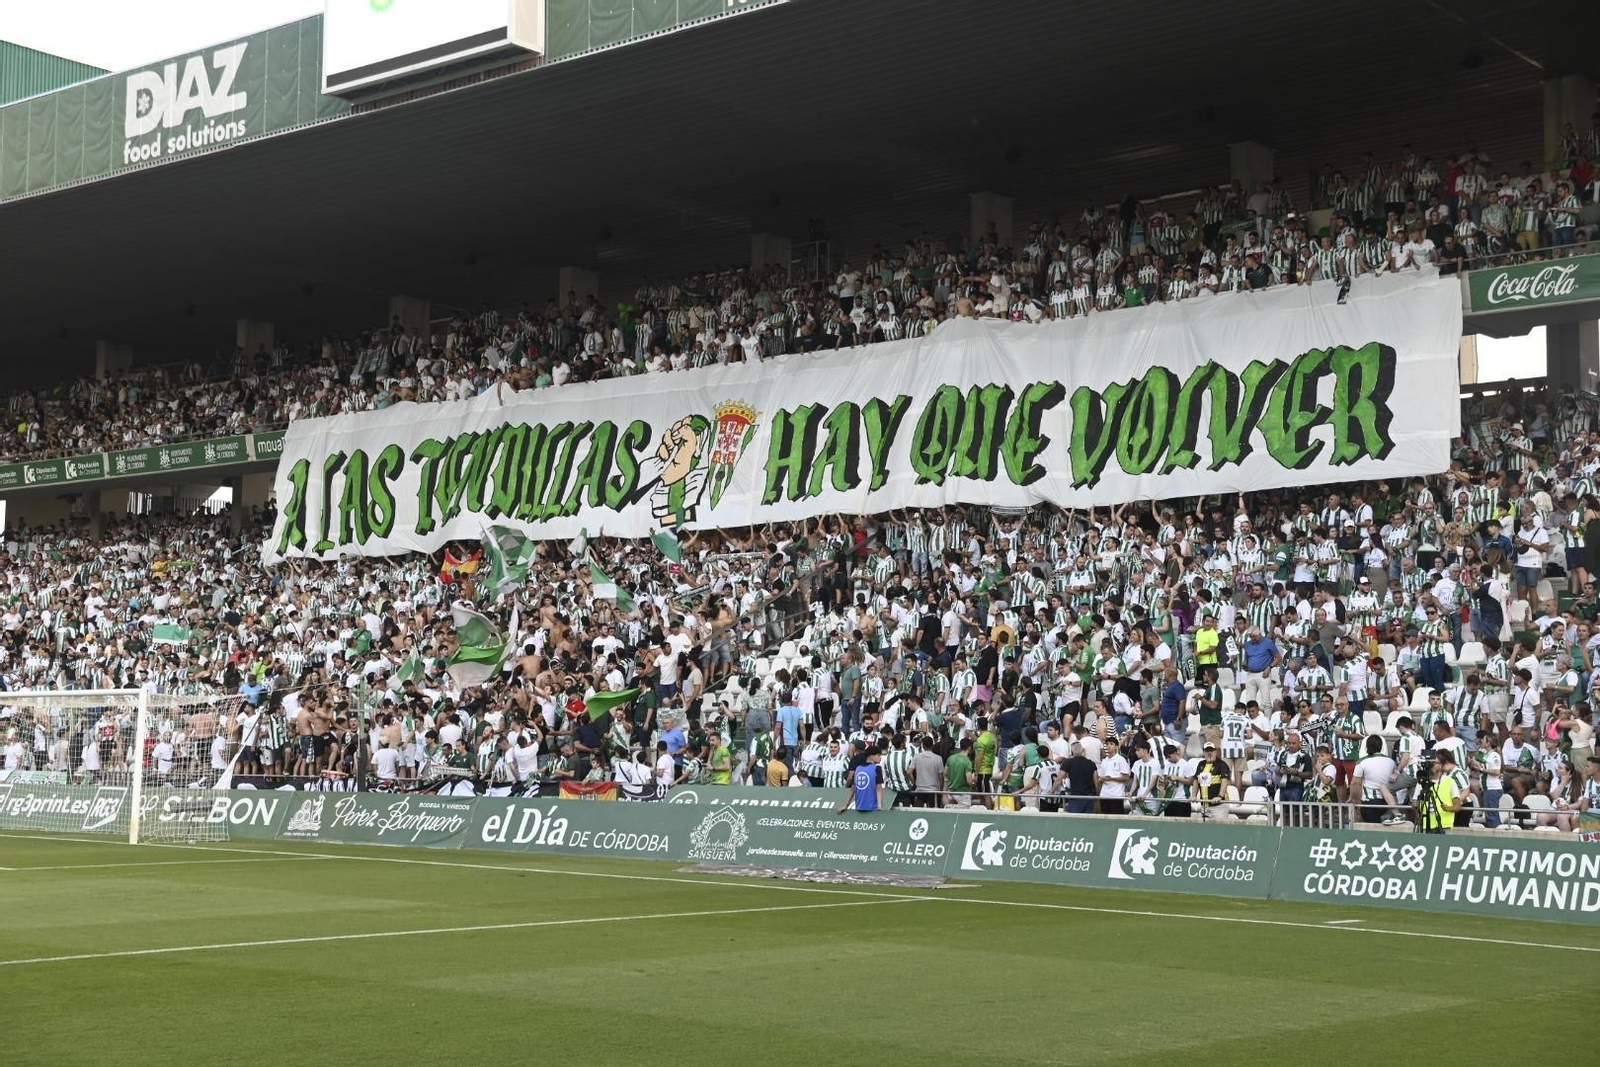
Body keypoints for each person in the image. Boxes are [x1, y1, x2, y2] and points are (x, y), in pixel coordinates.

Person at [1420, 748, 1465, 832]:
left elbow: (1457, 806)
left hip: (1444, 825)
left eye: (1434, 763)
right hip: (1426, 825)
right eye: (1430, 763)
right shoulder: (1421, 781)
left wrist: (1449, 808)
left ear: (1440, 765)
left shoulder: (1450, 781)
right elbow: (1415, 803)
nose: (1431, 765)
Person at [839, 745, 883, 813]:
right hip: (872, 807)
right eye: (878, 755)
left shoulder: (858, 768)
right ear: (872, 756)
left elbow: (853, 788)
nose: (880, 758)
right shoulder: (877, 769)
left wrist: (846, 805)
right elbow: (879, 788)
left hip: (859, 806)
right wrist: (879, 806)